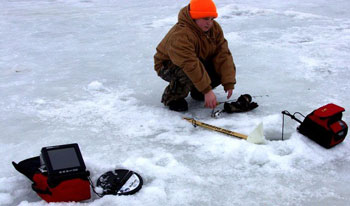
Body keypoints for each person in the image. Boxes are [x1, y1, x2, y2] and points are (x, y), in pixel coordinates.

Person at [154, 0, 236, 112]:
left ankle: (198, 91)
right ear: (195, 17)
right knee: (186, 74)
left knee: (217, 70)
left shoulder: (214, 29)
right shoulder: (181, 34)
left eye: (212, 19)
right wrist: (207, 90)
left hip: (197, 60)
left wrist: (228, 82)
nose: (210, 23)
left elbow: (223, 55)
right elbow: (189, 63)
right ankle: (172, 97)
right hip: (169, 65)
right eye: (206, 18)